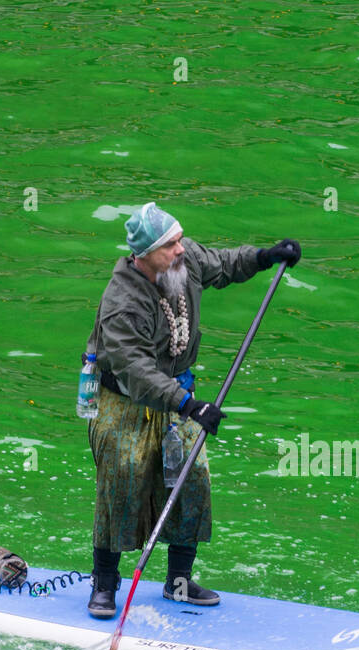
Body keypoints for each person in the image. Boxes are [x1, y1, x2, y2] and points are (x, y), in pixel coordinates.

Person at [83, 201, 300, 618]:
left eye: (181, 239)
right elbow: (136, 370)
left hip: (178, 394)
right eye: (171, 245)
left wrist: (266, 257)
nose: (181, 249)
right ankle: (105, 584)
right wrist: (191, 405)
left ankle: (178, 582)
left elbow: (222, 264)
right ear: (144, 255)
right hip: (123, 397)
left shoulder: (184, 261)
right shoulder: (122, 301)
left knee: (192, 477)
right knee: (122, 478)